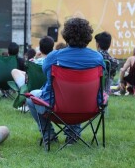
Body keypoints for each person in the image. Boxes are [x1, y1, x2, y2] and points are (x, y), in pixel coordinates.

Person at [26, 17, 104, 145]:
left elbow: (47, 75)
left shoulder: (54, 56)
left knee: (31, 97)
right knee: (78, 93)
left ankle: (49, 136)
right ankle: (73, 134)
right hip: (88, 108)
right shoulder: (97, 58)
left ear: (66, 35)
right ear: (88, 36)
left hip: (57, 108)